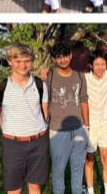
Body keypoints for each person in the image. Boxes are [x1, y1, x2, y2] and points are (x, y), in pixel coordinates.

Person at [0, 44, 49, 194]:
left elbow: (44, 112)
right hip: (13, 145)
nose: (23, 65)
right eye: (18, 61)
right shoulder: (2, 88)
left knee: (34, 186)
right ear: (9, 61)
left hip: (38, 142)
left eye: (27, 60)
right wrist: (13, 132)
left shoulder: (40, 85)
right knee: (14, 190)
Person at [46, 43, 89, 194]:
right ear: (53, 59)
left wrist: (86, 127)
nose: (63, 60)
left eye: (65, 55)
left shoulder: (79, 76)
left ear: (70, 55)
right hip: (58, 130)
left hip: (79, 129)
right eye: (58, 57)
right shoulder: (49, 77)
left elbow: (84, 100)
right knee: (58, 170)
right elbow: (44, 102)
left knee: (78, 170)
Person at [83, 49, 107, 194]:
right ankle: (90, 190)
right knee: (89, 160)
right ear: (91, 64)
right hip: (90, 125)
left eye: (103, 64)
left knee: (106, 159)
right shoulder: (84, 78)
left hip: (105, 124)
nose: (100, 68)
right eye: (96, 64)